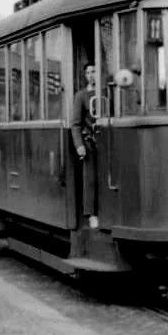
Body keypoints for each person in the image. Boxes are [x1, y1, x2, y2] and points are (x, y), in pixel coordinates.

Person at [70, 63, 98, 219]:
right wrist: (79, 145)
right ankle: (90, 213)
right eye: (88, 73)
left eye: (94, 71)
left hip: (106, 139)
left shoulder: (106, 92)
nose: (91, 75)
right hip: (89, 139)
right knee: (90, 177)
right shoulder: (81, 95)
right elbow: (75, 123)